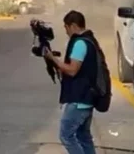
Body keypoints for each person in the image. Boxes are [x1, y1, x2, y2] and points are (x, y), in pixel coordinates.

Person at [43, 10, 104, 154]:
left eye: (66, 27)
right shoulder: (90, 40)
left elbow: (72, 70)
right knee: (83, 136)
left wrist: (53, 59)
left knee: (66, 136)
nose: (66, 31)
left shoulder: (80, 43)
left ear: (74, 26)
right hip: (88, 98)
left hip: (79, 100)